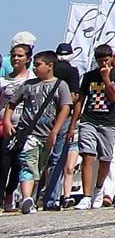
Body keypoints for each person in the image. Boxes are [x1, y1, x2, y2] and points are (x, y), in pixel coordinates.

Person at [5, 52, 71, 216]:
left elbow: (65, 108)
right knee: (28, 163)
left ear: (50, 66)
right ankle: (27, 198)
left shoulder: (60, 85)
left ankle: (30, 198)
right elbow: (12, 103)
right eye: (34, 64)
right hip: (28, 134)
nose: (35, 67)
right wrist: (7, 120)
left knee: (39, 167)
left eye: (38, 64)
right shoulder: (28, 85)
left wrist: (55, 131)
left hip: (47, 134)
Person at [72, 45, 115, 209]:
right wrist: (73, 125)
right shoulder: (89, 76)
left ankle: (99, 188)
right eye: (100, 61)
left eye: (106, 60)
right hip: (89, 120)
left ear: (111, 58)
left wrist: (106, 79)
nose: (103, 64)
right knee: (87, 156)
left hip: (109, 122)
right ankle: (86, 195)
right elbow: (80, 101)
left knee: (105, 159)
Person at [37, 43, 82, 209]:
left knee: (39, 160)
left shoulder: (48, 69)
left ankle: (31, 197)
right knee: (57, 160)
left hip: (42, 119)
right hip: (63, 119)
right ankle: (51, 199)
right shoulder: (72, 71)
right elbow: (74, 97)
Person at [0, 41, 35, 208]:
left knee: (17, 163)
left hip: (23, 126)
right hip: (3, 125)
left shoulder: (32, 80)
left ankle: (9, 194)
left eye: (20, 56)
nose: (16, 58)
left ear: (28, 59)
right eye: (13, 55)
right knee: (2, 163)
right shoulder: (4, 80)